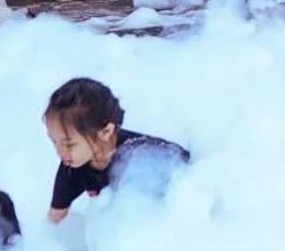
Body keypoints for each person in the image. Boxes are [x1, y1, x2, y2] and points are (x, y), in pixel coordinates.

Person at [43, 78, 190, 223]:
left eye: (69, 144)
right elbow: (55, 217)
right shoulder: (72, 165)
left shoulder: (142, 160)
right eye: (54, 141)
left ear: (106, 132)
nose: (59, 152)